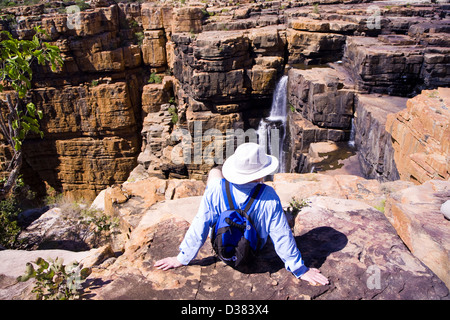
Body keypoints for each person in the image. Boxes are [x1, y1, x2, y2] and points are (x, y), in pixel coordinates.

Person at [154, 142, 329, 286]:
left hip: (222, 246)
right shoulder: (269, 196)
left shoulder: (215, 189)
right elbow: (282, 235)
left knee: (214, 172)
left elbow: (201, 223)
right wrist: (299, 269)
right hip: (253, 249)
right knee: (274, 217)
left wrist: (182, 258)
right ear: (260, 175)